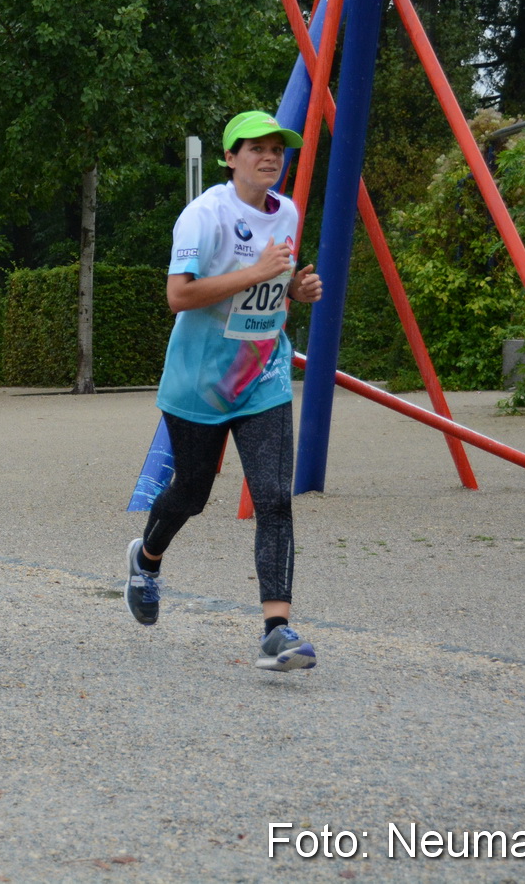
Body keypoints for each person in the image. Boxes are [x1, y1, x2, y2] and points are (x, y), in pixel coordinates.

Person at [124, 110, 325, 672]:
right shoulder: (204, 215)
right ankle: (146, 560)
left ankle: (277, 631)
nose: (269, 157)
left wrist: (296, 289)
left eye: (277, 149)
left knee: (274, 498)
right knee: (191, 493)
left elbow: (274, 288)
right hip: (199, 383)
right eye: (255, 148)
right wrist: (258, 272)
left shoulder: (288, 212)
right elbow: (179, 296)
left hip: (264, 376)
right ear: (231, 158)